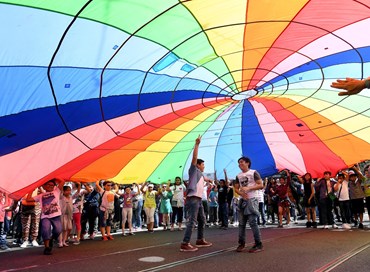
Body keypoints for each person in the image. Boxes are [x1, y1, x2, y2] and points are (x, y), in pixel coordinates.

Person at [180, 135, 212, 252]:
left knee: (202, 219)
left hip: (198, 199)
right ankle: (185, 243)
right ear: (198, 165)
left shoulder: (200, 174)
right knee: (192, 220)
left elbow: (203, 178)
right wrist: (197, 145)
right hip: (193, 199)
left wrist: (208, 180)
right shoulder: (193, 170)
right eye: (203, 165)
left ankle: (200, 239)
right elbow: (194, 158)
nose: (204, 167)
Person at [26, 178, 66, 255]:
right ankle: (47, 248)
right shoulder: (40, 196)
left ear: (55, 186)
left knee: (58, 230)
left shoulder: (56, 191)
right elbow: (28, 199)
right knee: (45, 230)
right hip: (45, 216)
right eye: (48, 184)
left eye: (52, 185)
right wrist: (32, 189)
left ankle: (51, 239)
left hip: (56, 215)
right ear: (44, 186)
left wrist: (53, 176)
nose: (50, 186)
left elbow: (63, 181)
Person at [233, 156, 264, 253]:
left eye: (242, 162)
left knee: (252, 222)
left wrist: (249, 189)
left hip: (252, 199)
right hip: (243, 200)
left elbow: (260, 184)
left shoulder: (253, 172)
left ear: (247, 163)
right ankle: (241, 243)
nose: (240, 164)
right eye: (239, 163)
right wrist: (241, 193)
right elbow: (236, 188)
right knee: (241, 223)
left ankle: (258, 244)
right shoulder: (238, 175)